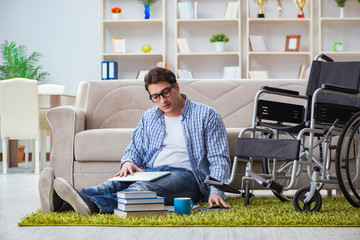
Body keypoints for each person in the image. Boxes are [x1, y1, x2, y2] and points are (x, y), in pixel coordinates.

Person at [39, 67, 232, 215]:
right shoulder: (150, 117)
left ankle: (94, 205)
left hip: (189, 177)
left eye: (165, 92)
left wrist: (216, 191)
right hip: (151, 172)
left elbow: (219, 159)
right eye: (155, 97)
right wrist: (129, 162)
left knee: (140, 189)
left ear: (176, 87)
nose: (162, 100)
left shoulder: (206, 115)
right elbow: (134, 148)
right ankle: (60, 202)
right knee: (110, 185)